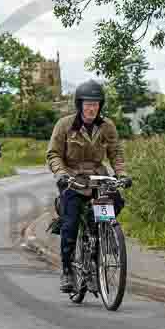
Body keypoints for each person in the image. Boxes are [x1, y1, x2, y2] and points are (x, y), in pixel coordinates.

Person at [47, 79, 132, 293]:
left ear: (100, 105)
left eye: (95, 104)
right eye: (87, 104)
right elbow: (54, 154)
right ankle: (67, 271)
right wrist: (61, 174)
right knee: (70, 224)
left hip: (98, 180)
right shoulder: (64, 125)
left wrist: (121, 174)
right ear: (79, 105)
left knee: (114, 204)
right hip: (73, 181)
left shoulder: (107, 126)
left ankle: (96, 255)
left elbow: (116, 153)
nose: (92, 108)